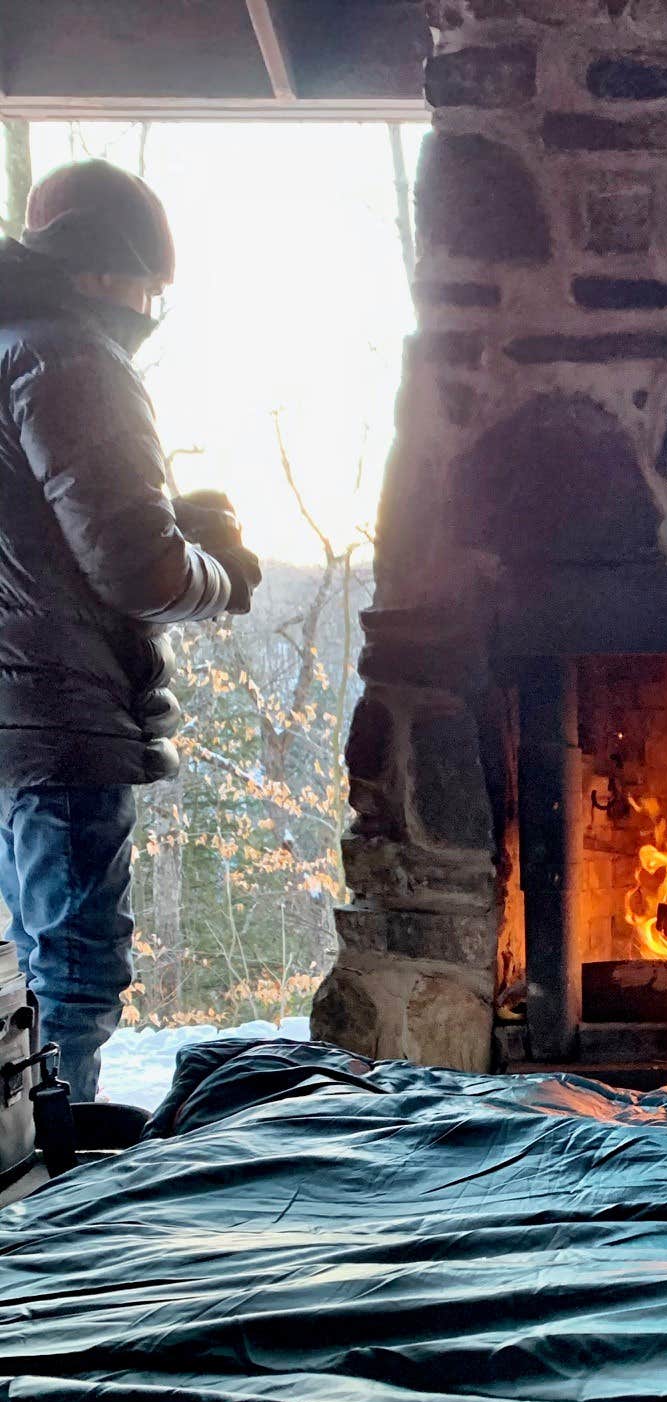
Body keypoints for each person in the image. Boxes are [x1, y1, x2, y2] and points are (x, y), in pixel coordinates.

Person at [0, 159, 260, 1101]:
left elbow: (40, 536)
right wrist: (221, 570)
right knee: (72, 970)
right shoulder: (72, 358)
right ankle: (49, 1193)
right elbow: (136, 570)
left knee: (33, 966)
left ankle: (28, 1165)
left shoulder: (11, 346)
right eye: (153, 284)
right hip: (61, 714)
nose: (155, 306)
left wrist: (172, 518)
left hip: (17, 715)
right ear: (109, 269)